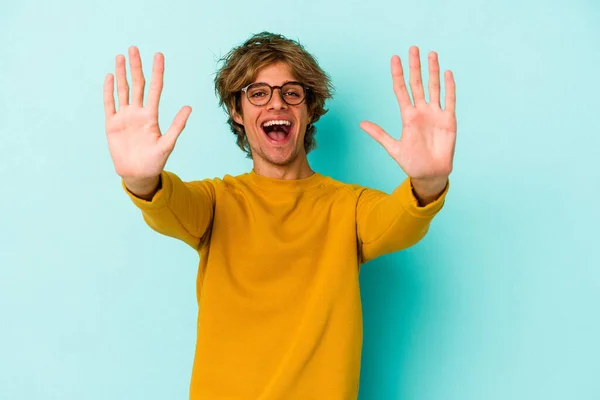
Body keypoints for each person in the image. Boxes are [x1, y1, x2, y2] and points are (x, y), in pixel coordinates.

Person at [103, 32, 456, 400]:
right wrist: (141, 179)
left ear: (309, 108)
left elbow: (402, 219)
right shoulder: (214, 202)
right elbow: (166, 205)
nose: (276, 104)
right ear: (237, 112)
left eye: (291, 92)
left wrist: (428, 182)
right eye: (258, 92)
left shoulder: (349, 207)